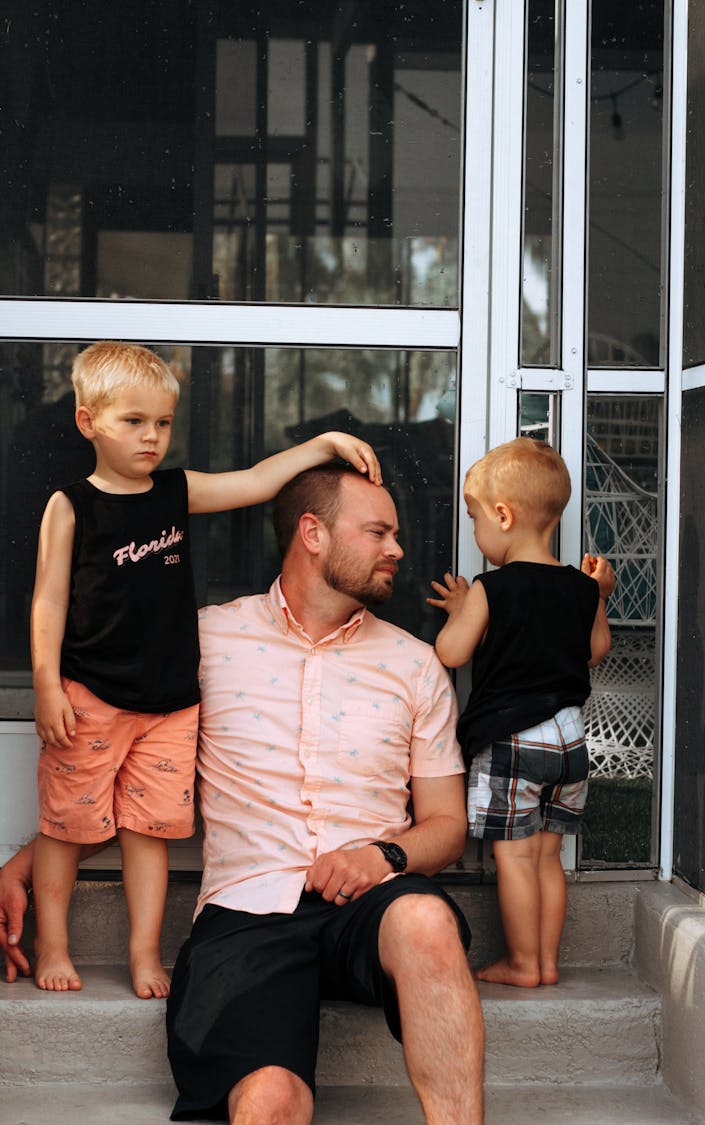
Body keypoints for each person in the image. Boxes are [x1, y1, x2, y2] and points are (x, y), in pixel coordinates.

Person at [1, 465, 485, 1125]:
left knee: (425, 919)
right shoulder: (204, 641)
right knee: (270, 1101)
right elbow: (136, 779)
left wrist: (385, 856)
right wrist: (27, 864)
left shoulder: (414, 663)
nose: (397, 548)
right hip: (245, 913)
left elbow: (446, 826)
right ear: (311, 533)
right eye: (378, 531)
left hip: (370, 904)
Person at [28, 339, 382, 1001]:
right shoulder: (71, 504)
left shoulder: (175, 492)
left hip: (169, 703)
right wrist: (47, 683)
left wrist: (322, 444)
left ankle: (141, 953)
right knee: (65, 827)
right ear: (88, 422)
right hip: (90, 696)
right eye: (133, 421)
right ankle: (52, 942)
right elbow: (48, 598)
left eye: (162, 422)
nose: (151, 436)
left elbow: (253, 482)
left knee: (149, 830)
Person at [427, 436, 615, 989]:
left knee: (514, 858)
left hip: (515, 738)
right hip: (570, 740)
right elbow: (595, 651)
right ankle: (549, 963)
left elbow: (450, 653)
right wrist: (599, 596)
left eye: (475, 519)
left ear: (503, 516)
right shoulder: (580, 589)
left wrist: (464, 610)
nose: (475, 533)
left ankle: (521, 963)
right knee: (548, 858)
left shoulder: (492, 587)